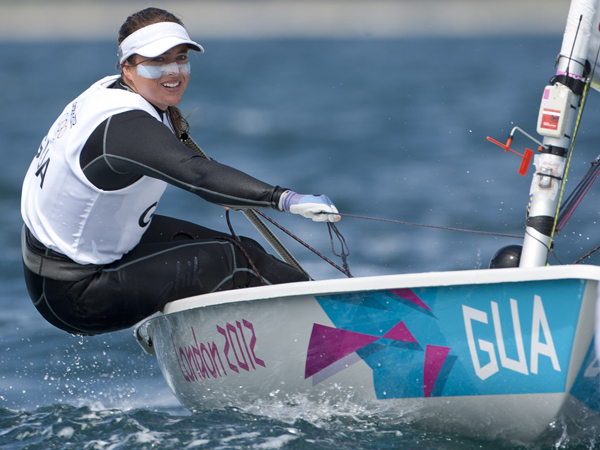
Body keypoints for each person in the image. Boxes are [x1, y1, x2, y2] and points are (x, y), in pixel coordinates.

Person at [21, 7, 340, 336]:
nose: (173, 71)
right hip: (75, 293)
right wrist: (285, 199)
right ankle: (341, 333)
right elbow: (197, 174)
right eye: (157, 61)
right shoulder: (124, 125)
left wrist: (234, 191)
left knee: (244, 248)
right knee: (238, 263)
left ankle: (263, 345)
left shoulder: (111, 90)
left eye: (181, 57)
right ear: (127, 66)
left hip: (62, 263)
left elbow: (191, 169)